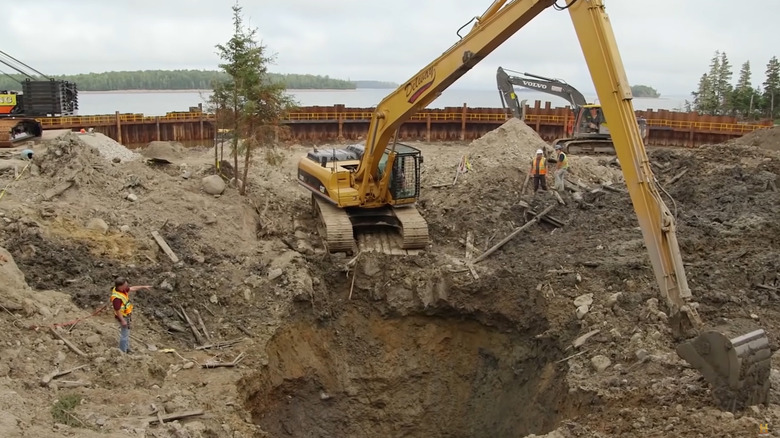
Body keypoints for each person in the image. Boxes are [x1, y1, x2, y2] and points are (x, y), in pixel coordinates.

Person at [110, 277, 152, 353]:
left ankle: (126, 348)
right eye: (125, 285)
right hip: (123, 317)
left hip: (126, 315)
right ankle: (122, 351)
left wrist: (143, 287)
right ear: (120, 286)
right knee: (124, 335)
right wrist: (122, 321)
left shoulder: (122, 290)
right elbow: (117, 310)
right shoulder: (117, 298)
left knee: (126, 333)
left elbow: (132, 288)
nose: (127, 286)